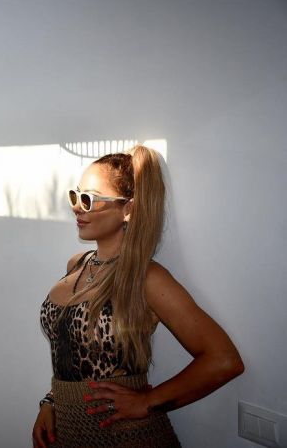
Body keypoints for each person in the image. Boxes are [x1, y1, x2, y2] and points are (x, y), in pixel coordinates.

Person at [32, 145, 244, 447]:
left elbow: (224, 360)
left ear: (128, 209)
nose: (78, 207)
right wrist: (51, 401)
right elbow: (72, 350)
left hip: (129, 437)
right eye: (75, 196)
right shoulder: (76, 265)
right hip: (69, 432)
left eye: (89, 199)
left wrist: (147, 402)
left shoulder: (146, 277)